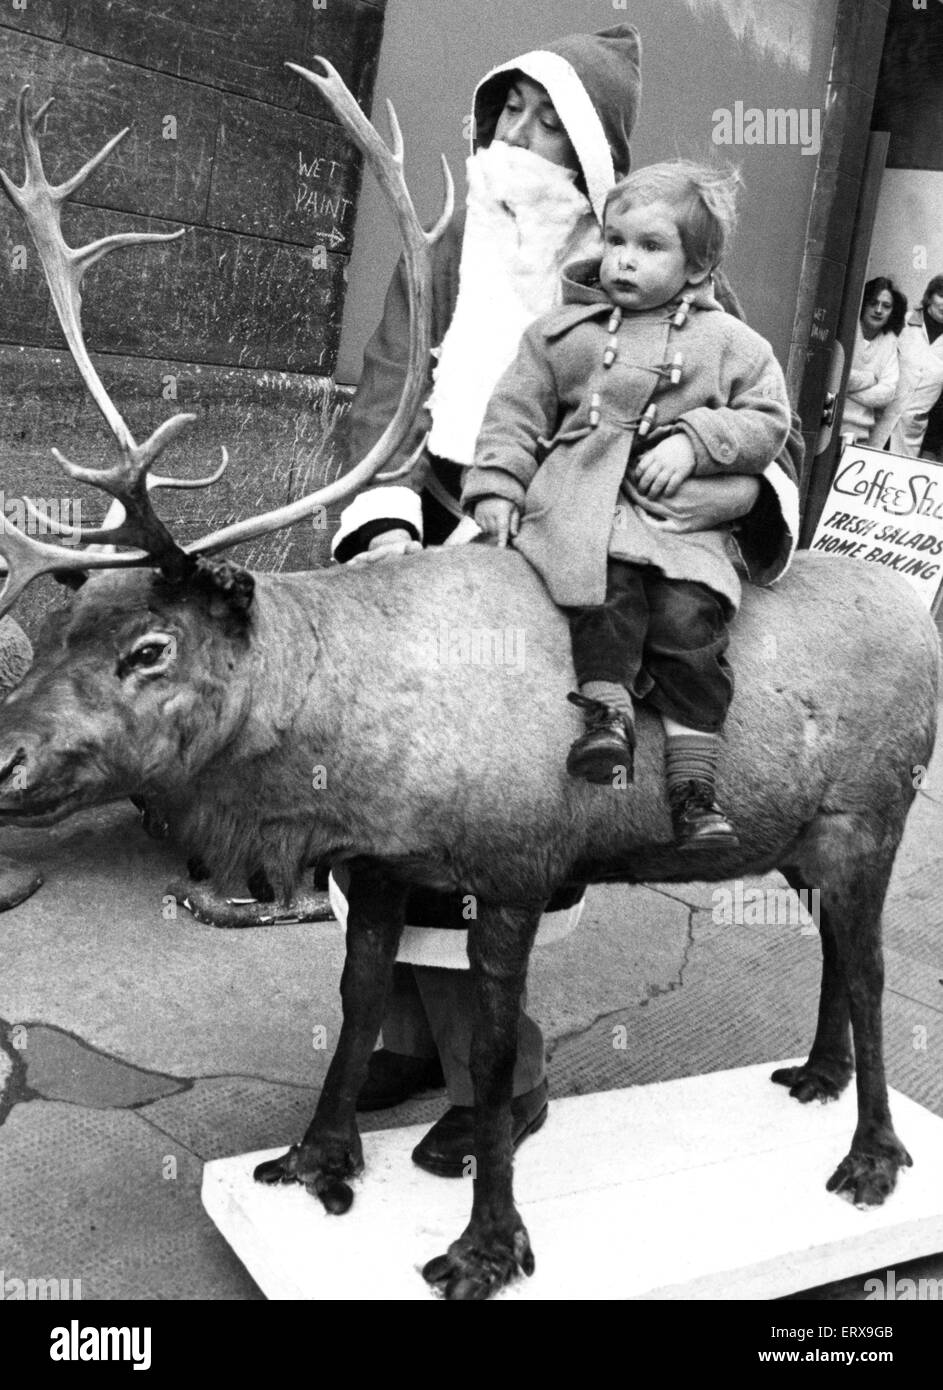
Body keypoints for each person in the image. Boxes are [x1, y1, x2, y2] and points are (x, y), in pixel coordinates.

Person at [331, 24, 803, 1178]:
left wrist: (717, 485)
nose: (518, 145)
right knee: (377, 828)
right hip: (427, 561)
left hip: (569, 587)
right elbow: (387, 401)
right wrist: (384, 525)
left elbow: (762, 428)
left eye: (551, 125)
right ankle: (399, 1041)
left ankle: (507, 1070)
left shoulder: (662, 276)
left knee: (482, 835)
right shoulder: (440, 254)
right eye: (509, 114)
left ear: (595, 159)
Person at [464, 162, 791, 850]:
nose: (623, 259)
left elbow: (767, 423)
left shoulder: (732, 345)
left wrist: (699, 443)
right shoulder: (561, 335)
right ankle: (604, 722)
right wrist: (496, 485)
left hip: (676, 533)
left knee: (688, 625)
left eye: (649, 247)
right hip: (581, 518)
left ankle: (694, 792)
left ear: (698, 266)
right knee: (601, 598)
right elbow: (513, 415)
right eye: (615, 241)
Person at [871, 274, 943, 457]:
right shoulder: (902, 322)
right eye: (941, 296)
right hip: (874, 422)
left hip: (911, 436)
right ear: (930, 297)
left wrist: (930, 449)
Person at [839, 276, 904, 445]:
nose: (879, 310)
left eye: (886, 306)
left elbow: (886, 394)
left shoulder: (889, 341)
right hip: (831, 427)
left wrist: (846, 388)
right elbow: (835, 376)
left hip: (861, 436)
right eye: (873, 303)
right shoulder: (847, 330)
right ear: (863, 304)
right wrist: (869, 379)